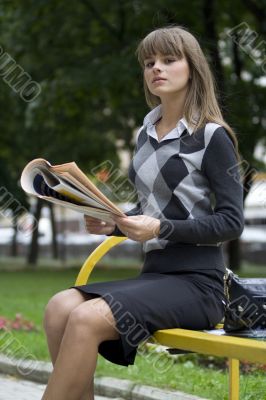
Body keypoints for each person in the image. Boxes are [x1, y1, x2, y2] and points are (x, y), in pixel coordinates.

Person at [42, 26, 244, 400]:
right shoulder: (146, 130)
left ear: (192, 67)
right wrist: (115, 224)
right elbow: (150, 212)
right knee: (58, 307)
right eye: (149, 62)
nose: (157, 68)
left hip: (199, 283)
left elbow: (231, 222)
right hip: (155, 276)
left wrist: (159, 227)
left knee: (86, 318)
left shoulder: (212, 136)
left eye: (169, 60)